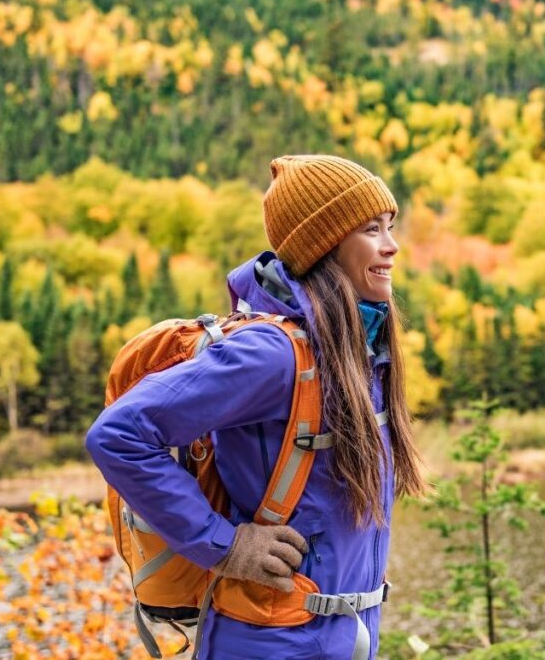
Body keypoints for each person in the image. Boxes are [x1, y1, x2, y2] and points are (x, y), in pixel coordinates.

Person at [85, 155, 426, 659]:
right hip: (270, 644)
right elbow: (118, 436)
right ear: (323, 246)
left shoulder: (358, 351)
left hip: (337, 640)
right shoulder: (272, 355)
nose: (391, 245)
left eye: (390, 227)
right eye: (371, 230)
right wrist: (223, 545)